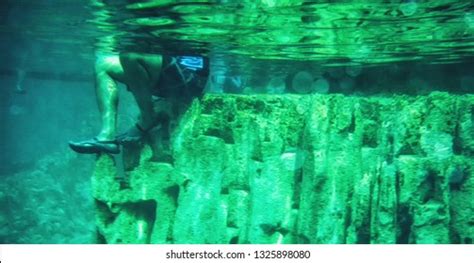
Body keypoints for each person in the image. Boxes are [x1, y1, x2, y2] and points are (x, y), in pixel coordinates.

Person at [69, 52, 209, 154]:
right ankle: (106, 136)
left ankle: (147, 117)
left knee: (130, 56)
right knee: (102, 63)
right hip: (164, 70)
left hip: (191, 71)